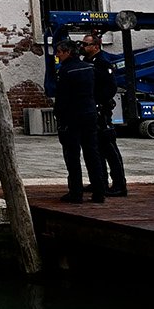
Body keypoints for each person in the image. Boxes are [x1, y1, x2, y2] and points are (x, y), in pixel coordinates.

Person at [50, 37, 106, 203]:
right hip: (89, 113)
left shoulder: (66, 72)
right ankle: (99, 191)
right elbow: (97, 90)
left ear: (67, 52)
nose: (57, 55)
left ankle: (76, 192)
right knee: (92, 153)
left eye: (59, 52)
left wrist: (58, 115)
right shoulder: (89, 68)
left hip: (72, 117)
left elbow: (62, 98)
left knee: (72, 155)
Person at [83, 32, 129, 197]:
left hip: (101, 111)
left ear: (96, 46)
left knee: (109, 148)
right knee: (96, 148)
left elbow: (110, 88)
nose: (83, 47)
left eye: (86, 44)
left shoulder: (102, 62)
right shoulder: (87, 62)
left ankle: (119, 184)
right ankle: (99, 180)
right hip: (91, 110)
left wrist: (98, 103)